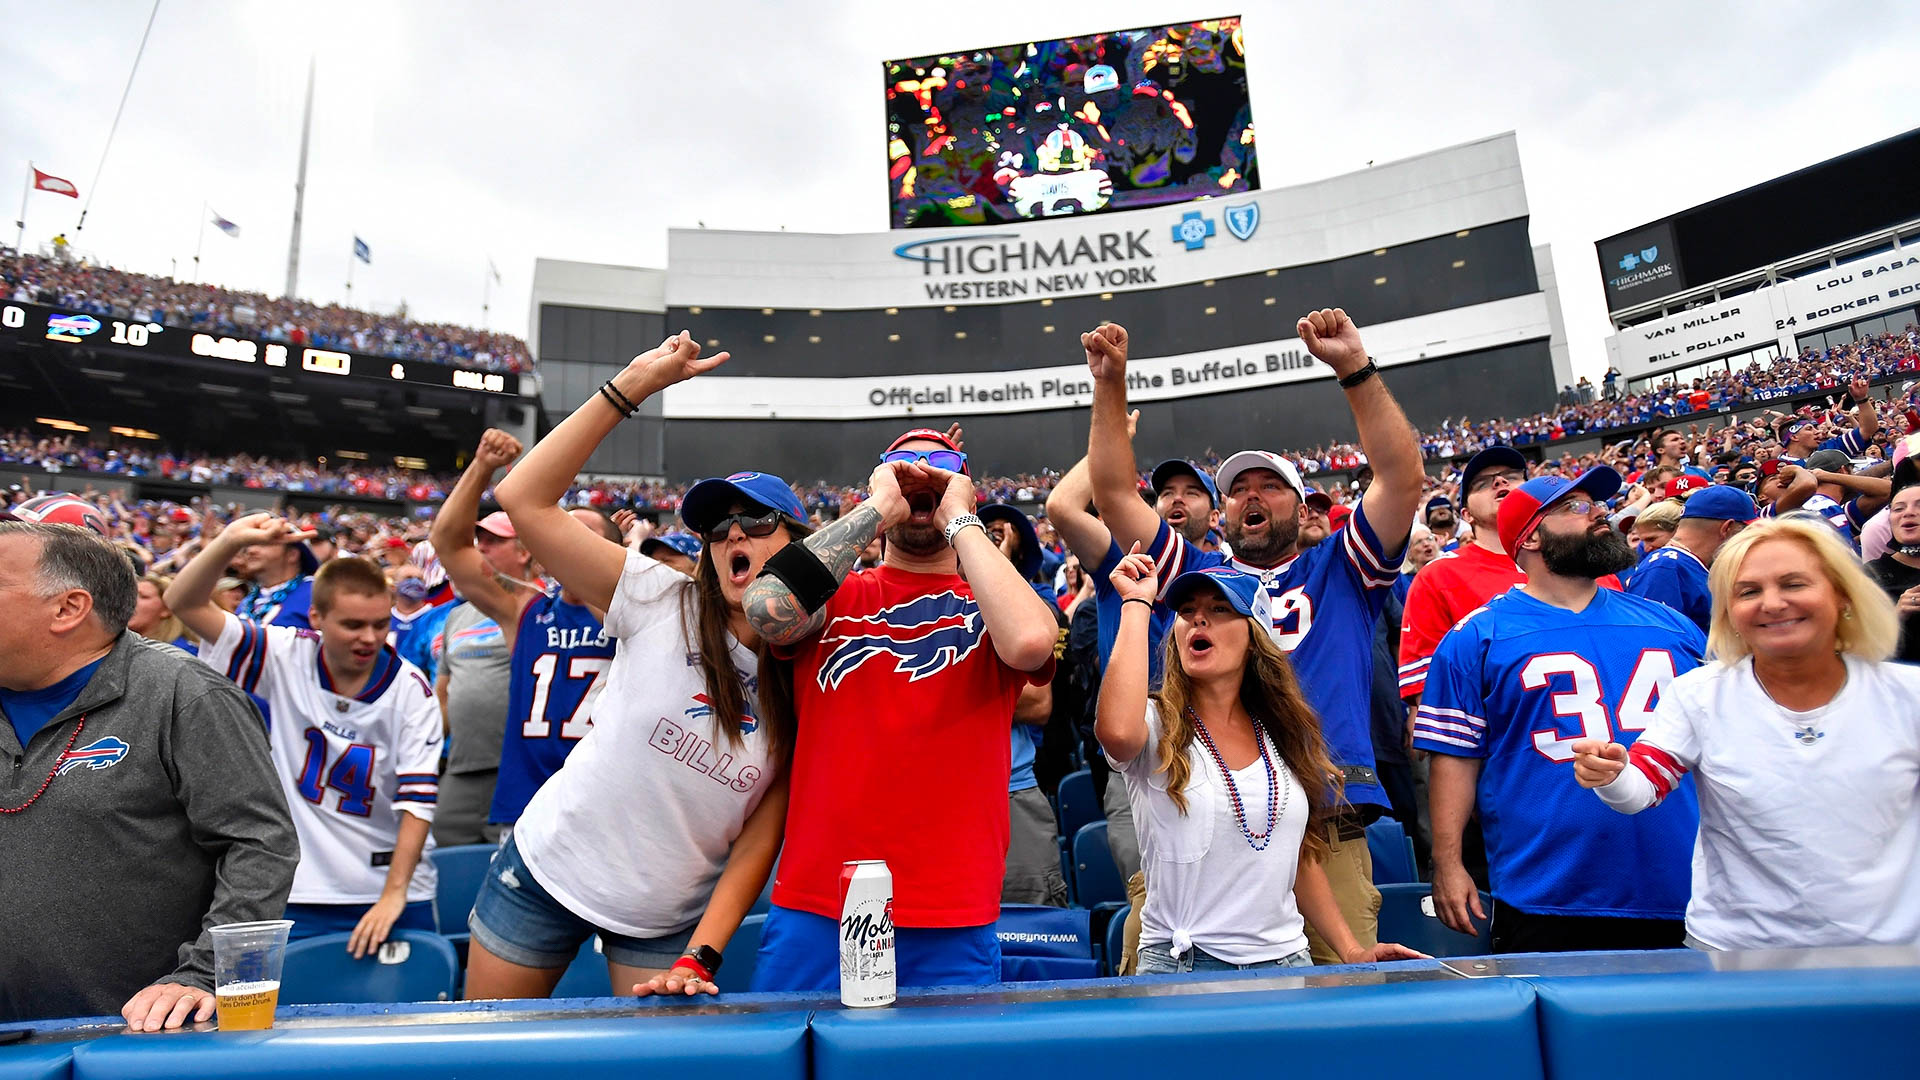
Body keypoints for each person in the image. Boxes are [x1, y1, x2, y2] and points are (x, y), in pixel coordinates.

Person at [1085, 311, 1423, 964]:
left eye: (1270, 485)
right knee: (1155, 1002)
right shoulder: (1197, 581)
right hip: (1201, 830)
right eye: (1237, 489)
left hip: (1323, 824)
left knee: (1339, 1009)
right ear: (1222, 514)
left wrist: (1355, 367)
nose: (1251, 496)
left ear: (1303, 507)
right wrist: (1110, 386)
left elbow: (1401, 481)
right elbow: (1111, 495)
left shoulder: (1343, 569)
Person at [467, 331, 793, 999]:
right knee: (489, 1062)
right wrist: (633, 387)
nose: (734, 533)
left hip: (667, 918)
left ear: (800, 544)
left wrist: (701, 956)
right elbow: (523, 498)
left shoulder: (808, 669)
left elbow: (761, 835)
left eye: (758, 522)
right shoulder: (659, 598)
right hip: (546, 870)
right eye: (718, 525)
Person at [744, 424, 1059, 991]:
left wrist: (961, 519)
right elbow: (767, 609)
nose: (922, 476)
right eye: (904, 467)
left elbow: (1032, 644)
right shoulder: (839, 594)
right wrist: (877, 508)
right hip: (821, 901)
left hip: (952, 908)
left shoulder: (990, 607)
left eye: (939, 468)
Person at [0, 521, 298, 1027]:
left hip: (131, 1037)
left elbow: (258, 843)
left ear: (68, 608)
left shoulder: (184, 694)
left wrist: (204, 974)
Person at [1574, 518, 1919, 949]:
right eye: (1748, 591)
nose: (1772, 604)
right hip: (1737, 958)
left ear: (1843, 595)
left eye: (1793, 584)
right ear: (1729, 613)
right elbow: (1640, 789)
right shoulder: (1699, 694)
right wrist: (1610, 773)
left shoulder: (1909, 696)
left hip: (1895, 959)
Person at [1413, 468, 1704, 953]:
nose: (1599, 514)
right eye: (1574, 507)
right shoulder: (1476, 637)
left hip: (1683, 882)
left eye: (1595, 504)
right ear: (1529, 537)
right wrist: (1447, 863)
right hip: (1548, 894)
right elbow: (1454, 760)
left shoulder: (1671, 625)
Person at [1098, 555, 1423, 971]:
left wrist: (1351, 949)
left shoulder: (1283, 734)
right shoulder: (1155, 723)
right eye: (1187, 612)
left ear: (1255, 637)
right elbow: (1116, 732)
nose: (1199, 621)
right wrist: (1136, 605)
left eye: (1219, 610)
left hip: (1288, 964)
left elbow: (1295, 858)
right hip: (1185, 968)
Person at [167, 521, 441, 952]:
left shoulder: (412, 691)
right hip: (301, 884)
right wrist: (232, 541)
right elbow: (183, 602)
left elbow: (418, 804)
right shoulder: (286, 651)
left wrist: (394, 893)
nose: (369, 638)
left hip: (389, 884)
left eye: (379, 624)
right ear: (316, 617)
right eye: (352, 625)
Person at [428, 444, 540, 846]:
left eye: (494, 541)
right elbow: (444, 694)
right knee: (448, 866)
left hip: (520, 768)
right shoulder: (458, 615)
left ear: (525, 550)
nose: (482, 548)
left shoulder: (538, 609)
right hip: (460, 767)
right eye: (479, 540)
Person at [978, 501, 1070, 907]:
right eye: (984, 530)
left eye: (1004, 532)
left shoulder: (1037, 605)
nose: (994, 536)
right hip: (935, 797)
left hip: (1011, 789)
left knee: (1029, 923)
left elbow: (1036, 703)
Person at [1397, 446, 1529, 705]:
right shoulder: (1437, 576)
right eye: (1482, 484)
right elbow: (1433, 698)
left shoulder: (1579, 565)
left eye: (1512, 476)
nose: (1500, 481)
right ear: (1466, 515)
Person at [1626, 486, 1757, 632]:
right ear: (1727, 528)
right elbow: (1655, 642)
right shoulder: (1665, 568)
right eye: (1746, 531)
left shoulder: (1685, 564)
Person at [1865, 460, 1920, 664]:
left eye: (1919, 505)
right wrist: (1897, 616)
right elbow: (1857, 653)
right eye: (1898, 509)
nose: (1908, 512)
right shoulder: (1870, 576)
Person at [129, 572, 198, 653]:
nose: (130, 601)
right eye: (130, 595)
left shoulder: (183, 653)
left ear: (167, 609)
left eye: (144, 597)